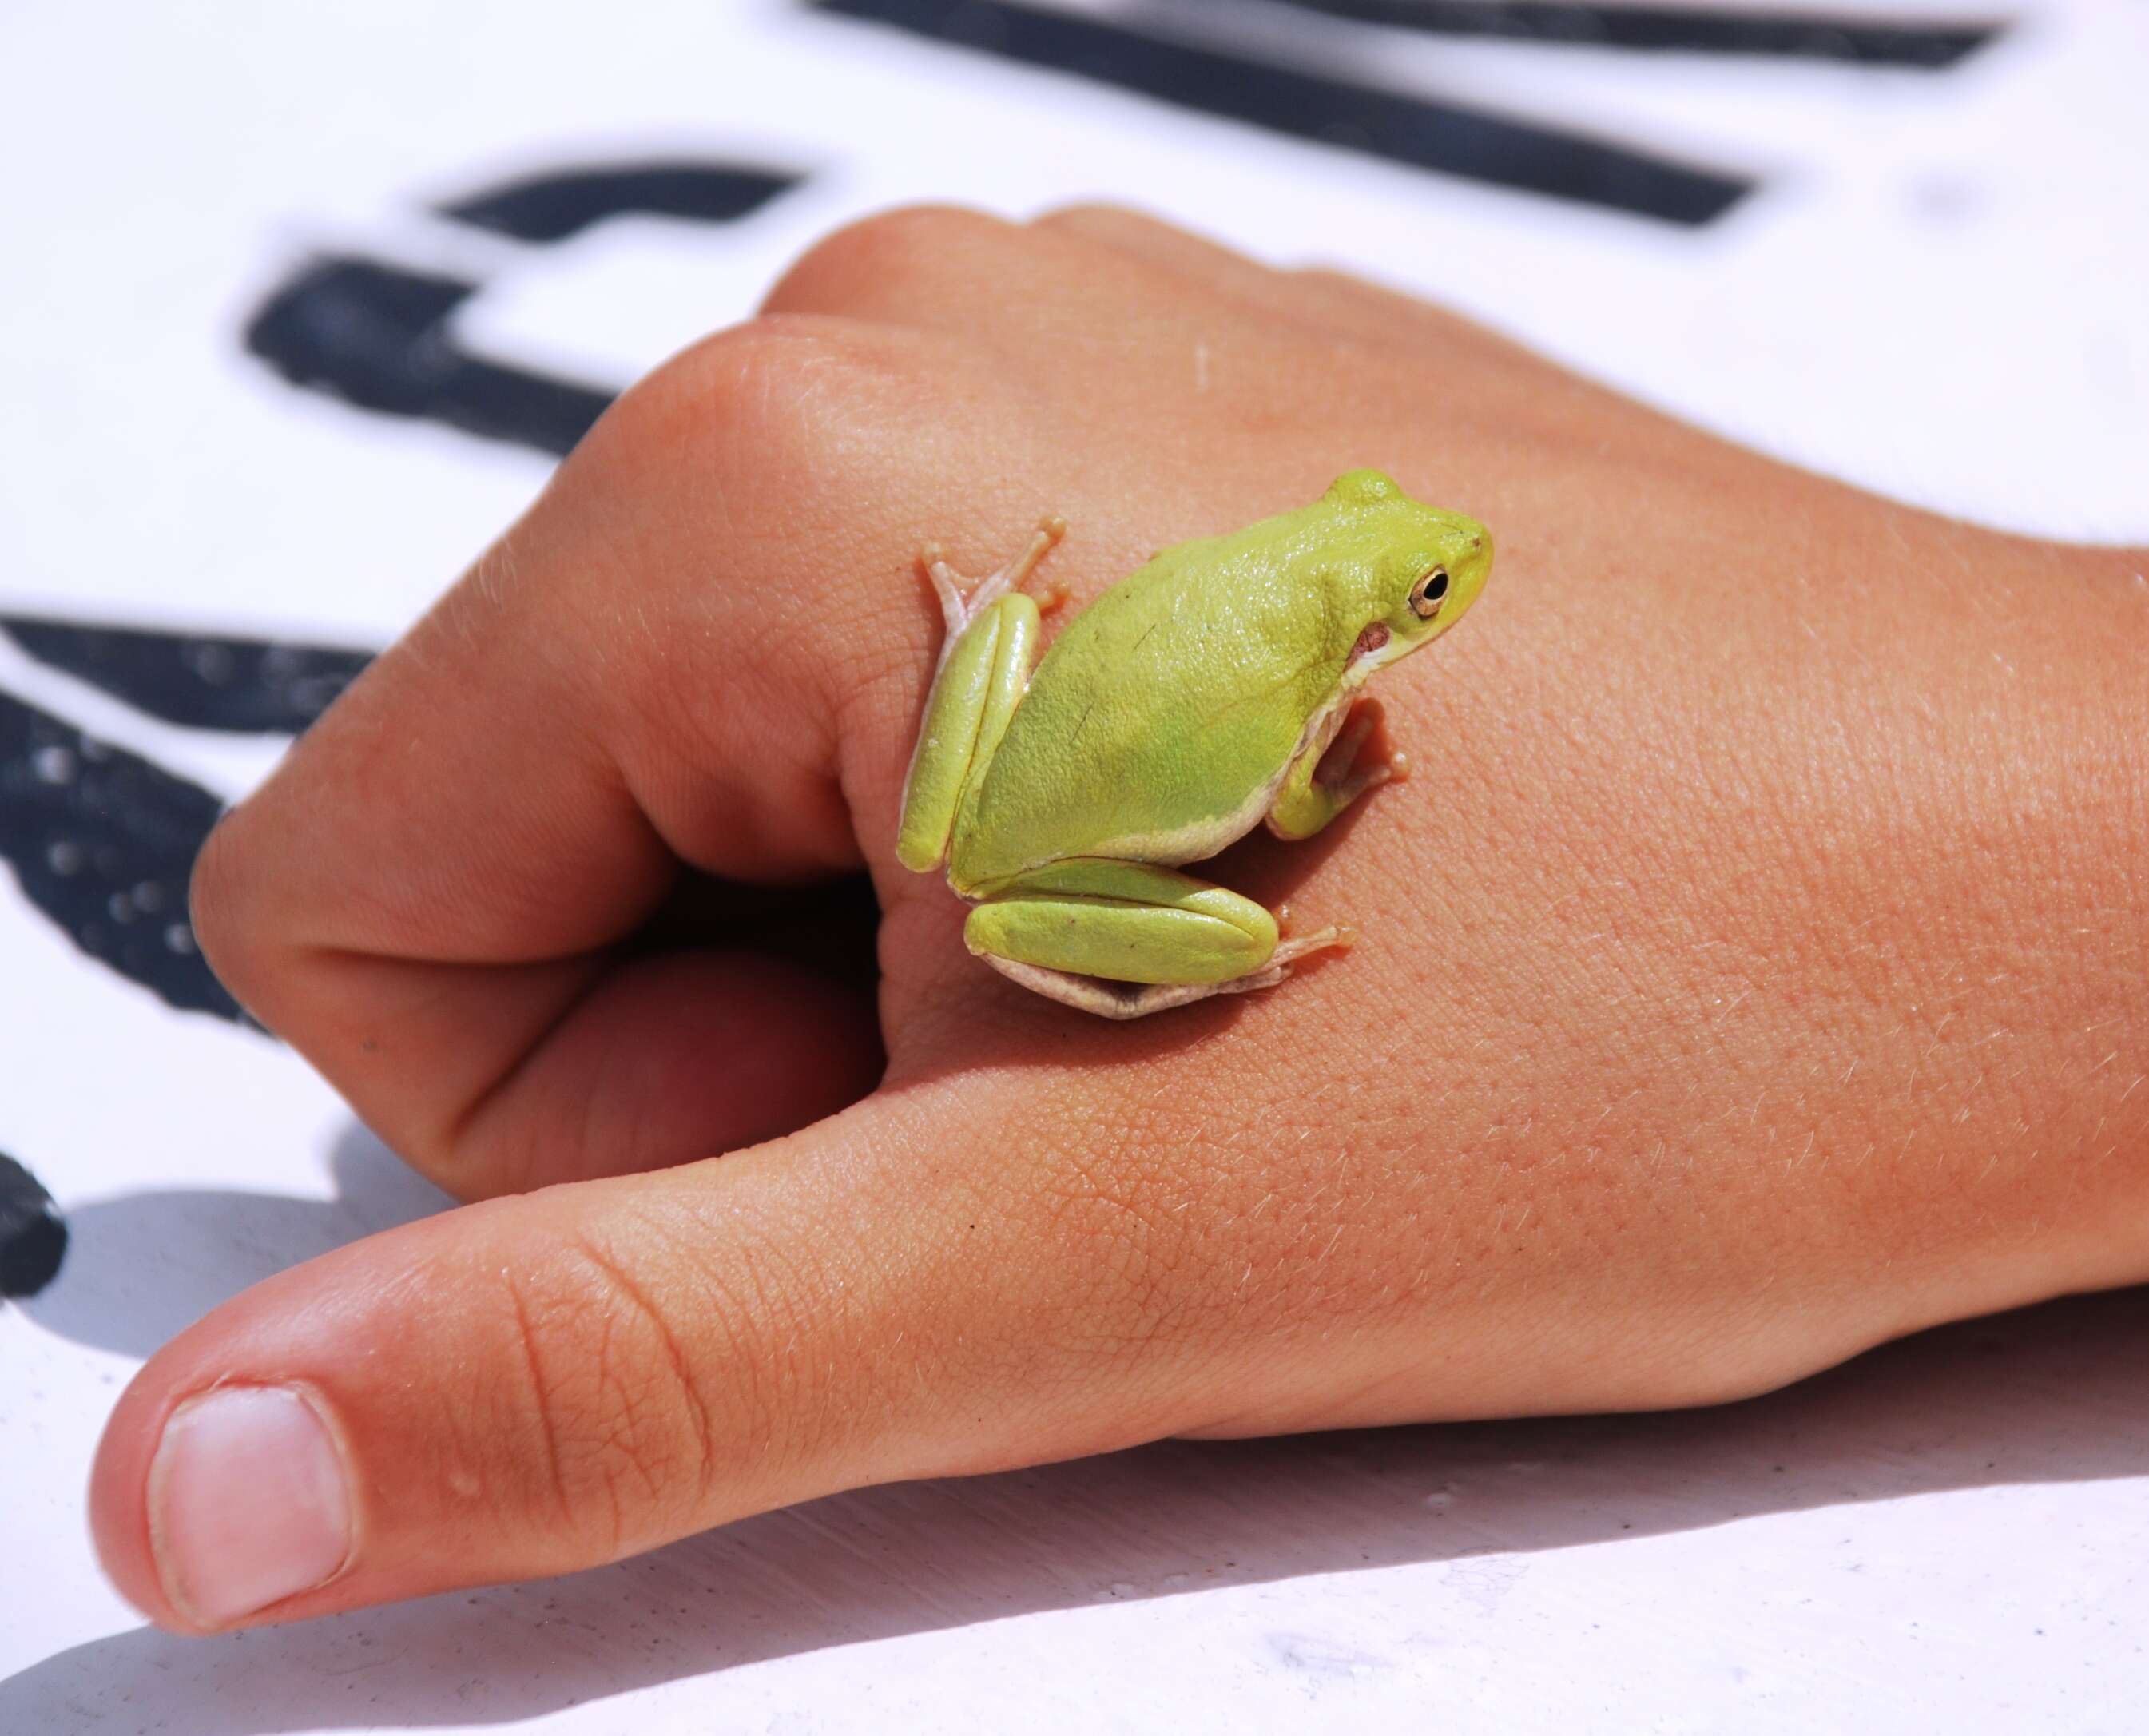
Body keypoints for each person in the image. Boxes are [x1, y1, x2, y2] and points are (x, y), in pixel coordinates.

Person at [89, 206, 2148, 1635]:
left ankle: (1000, 668)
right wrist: (1326, 794)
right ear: (1363, 605)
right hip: (1095, 872)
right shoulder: (1336, 683)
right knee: (1248, 927)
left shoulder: (1287, 569)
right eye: (1412, 597)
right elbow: (1304, 791)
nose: (1431, 595)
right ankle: (1196, 925)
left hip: (1012, 751)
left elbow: (1243, 736)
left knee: (1018, 771)